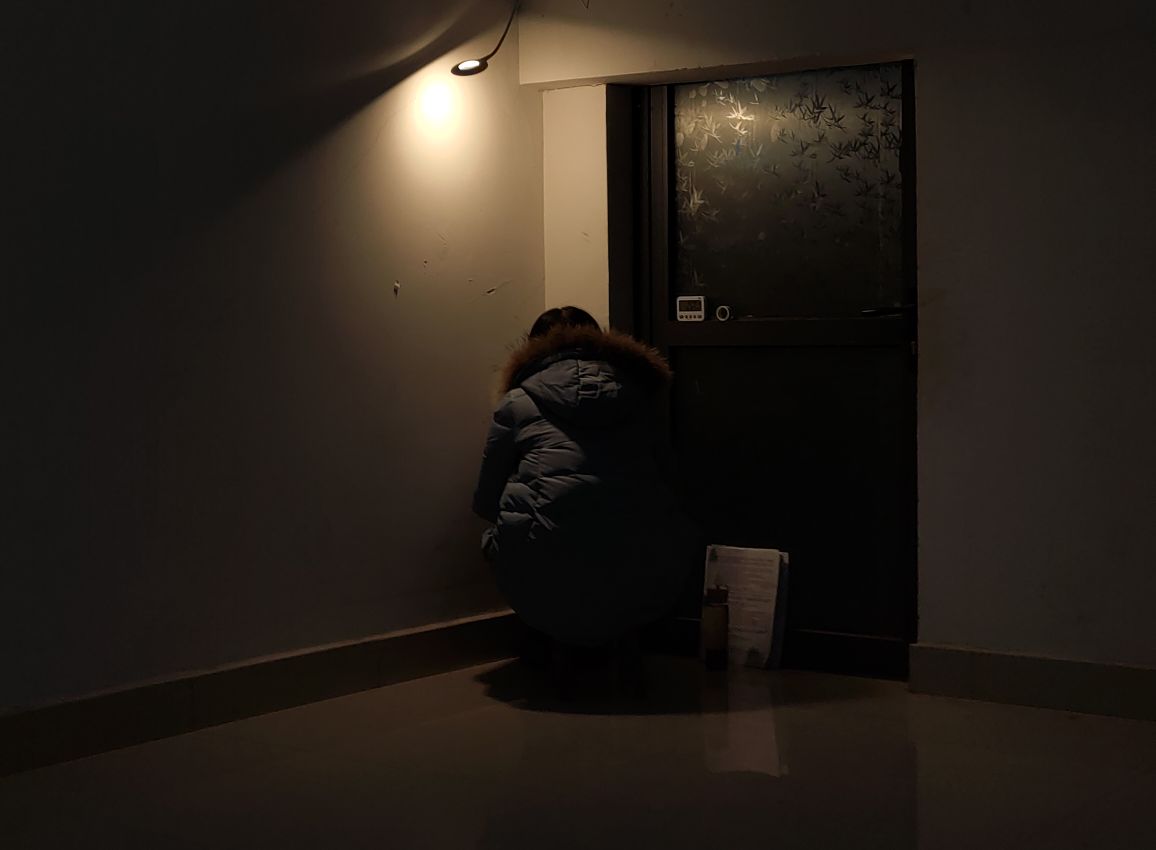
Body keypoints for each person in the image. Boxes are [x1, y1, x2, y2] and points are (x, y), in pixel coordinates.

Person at [472, 306, 697, 649]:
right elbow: (672, 481)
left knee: (506, 535)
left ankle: (552, 643)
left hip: (543, 577)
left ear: (532, 347)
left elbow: (486, 501)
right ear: (601, 341)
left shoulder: (517, 403)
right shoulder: (639, 397)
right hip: (641, 574)